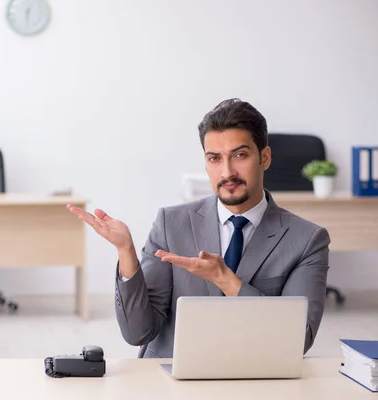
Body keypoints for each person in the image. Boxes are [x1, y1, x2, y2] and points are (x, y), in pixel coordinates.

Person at [67, 98, 330, 357]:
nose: (227, 172)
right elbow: (138, 333)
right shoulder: (170, 224)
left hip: (254, 376)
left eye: (239, 155)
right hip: (171, 378)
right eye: (214, 158)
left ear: (265, 158)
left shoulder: (307, 240)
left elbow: (298, 340)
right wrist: (126, 252)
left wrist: (227, 281)